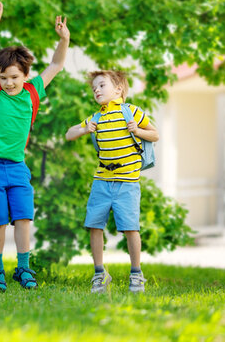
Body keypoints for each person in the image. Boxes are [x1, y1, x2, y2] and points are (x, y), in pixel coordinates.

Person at [0, 1, 70, 291]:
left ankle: (24, 268)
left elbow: (56, 64)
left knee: (24, 217)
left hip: (17, 167)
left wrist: (63, 39)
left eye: (14, 77)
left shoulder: (33, 90)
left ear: (25, 75)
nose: (8, 83)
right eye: (3, 78)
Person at [64, 70, 159, 293]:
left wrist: (138, 130)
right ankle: (100, 274)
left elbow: (154, 134)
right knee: (94, 225)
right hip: (102, 181)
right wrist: (84, 129)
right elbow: (69, 134)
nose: (96, 90)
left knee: (130, 228)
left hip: (127, 183)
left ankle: (136, 274)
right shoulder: (96, 118)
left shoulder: (131, 112)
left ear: (118, 90)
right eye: (94, 87)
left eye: (101, 85)